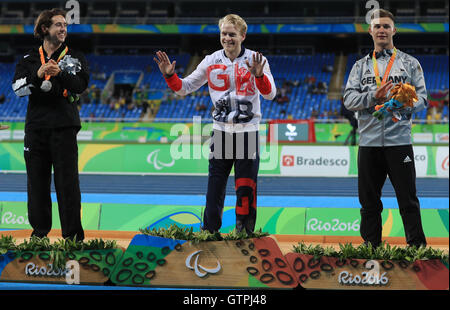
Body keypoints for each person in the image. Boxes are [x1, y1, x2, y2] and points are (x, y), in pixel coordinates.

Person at [154, 14, 276, 234]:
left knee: (246, 188)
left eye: (232, 34)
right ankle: (210, 234)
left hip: (247, 133)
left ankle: (244, 235)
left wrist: (259, 76)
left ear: (243, 36)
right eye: (224, 34)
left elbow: (270, 94)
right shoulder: (211, 60)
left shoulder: (258, 60)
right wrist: (170, 76)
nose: (227, 38)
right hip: (220, 134)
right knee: (215, 188)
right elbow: (185, 87)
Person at [344, 9, 427, 248]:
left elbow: (423, 99)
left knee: (408, 200)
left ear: (394, 30)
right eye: (377, 26)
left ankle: (417, 247)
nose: (381, 30)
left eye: (386, 26)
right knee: (369, 202)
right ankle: (371, 247)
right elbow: (349, 100)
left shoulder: (410, 63)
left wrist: (405, 103)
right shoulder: (360, 67)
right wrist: (373, 96)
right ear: (370, 31)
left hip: (399, 142)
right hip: (369, 144)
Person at [12, 8, 89, 241]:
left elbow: (80, 86)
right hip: (36, 129)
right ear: (45, 29)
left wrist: (60, 74)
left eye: (65, 24)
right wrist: (37, 74)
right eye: (58, 24)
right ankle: (39, 235)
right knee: (37, 185)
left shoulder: (74, 57)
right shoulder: (29, 60)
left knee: (68, 185)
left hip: (64, 127)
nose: (64, 28)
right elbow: (18, 90)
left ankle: (73, 238)